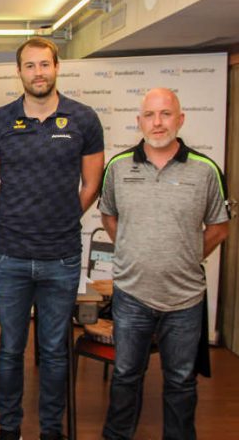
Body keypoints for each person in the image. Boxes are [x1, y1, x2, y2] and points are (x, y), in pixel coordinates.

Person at [0, 37, 105, 440]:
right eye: (30, 66)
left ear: (57, 68)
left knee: (53, 351)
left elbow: (91, 184)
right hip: (10, 255)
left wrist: (63, 216)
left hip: (61, 257)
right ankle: (9, 428)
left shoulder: (83, 119)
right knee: (10, 350)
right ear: (19, 72)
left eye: (44, 65)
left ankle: (52, 430)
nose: (38, 73)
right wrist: (18, 215)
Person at [100, 88, 230, 440]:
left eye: (166, 114)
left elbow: (219, 227)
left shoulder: (205, 170)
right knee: (126, 376)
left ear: (180, 118)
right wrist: (136, 250)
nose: (157, 123)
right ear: (139, 121)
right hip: (131, 295)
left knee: (181, 382)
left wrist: (184, 255)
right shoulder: (118, 166)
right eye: (150, 115)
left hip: (185, 300)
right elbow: (109, 217)